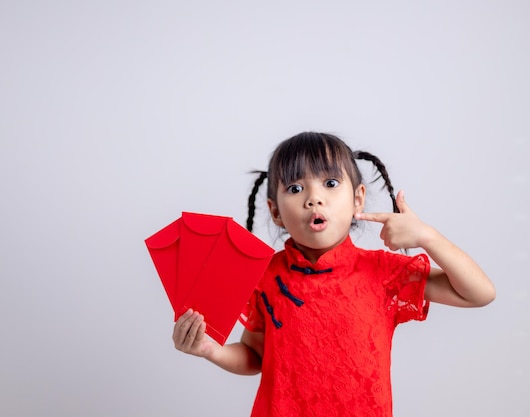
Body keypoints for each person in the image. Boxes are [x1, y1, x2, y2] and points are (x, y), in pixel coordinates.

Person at [172, 132, 495, 417]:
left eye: (330, 183)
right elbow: (256, 355)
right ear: (275, 211)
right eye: (296, 188)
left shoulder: (383, 272)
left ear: (358, 199)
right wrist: (209, 349)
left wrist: (428, 237)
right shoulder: (263, 276)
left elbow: (479, 293)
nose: (314, 198)